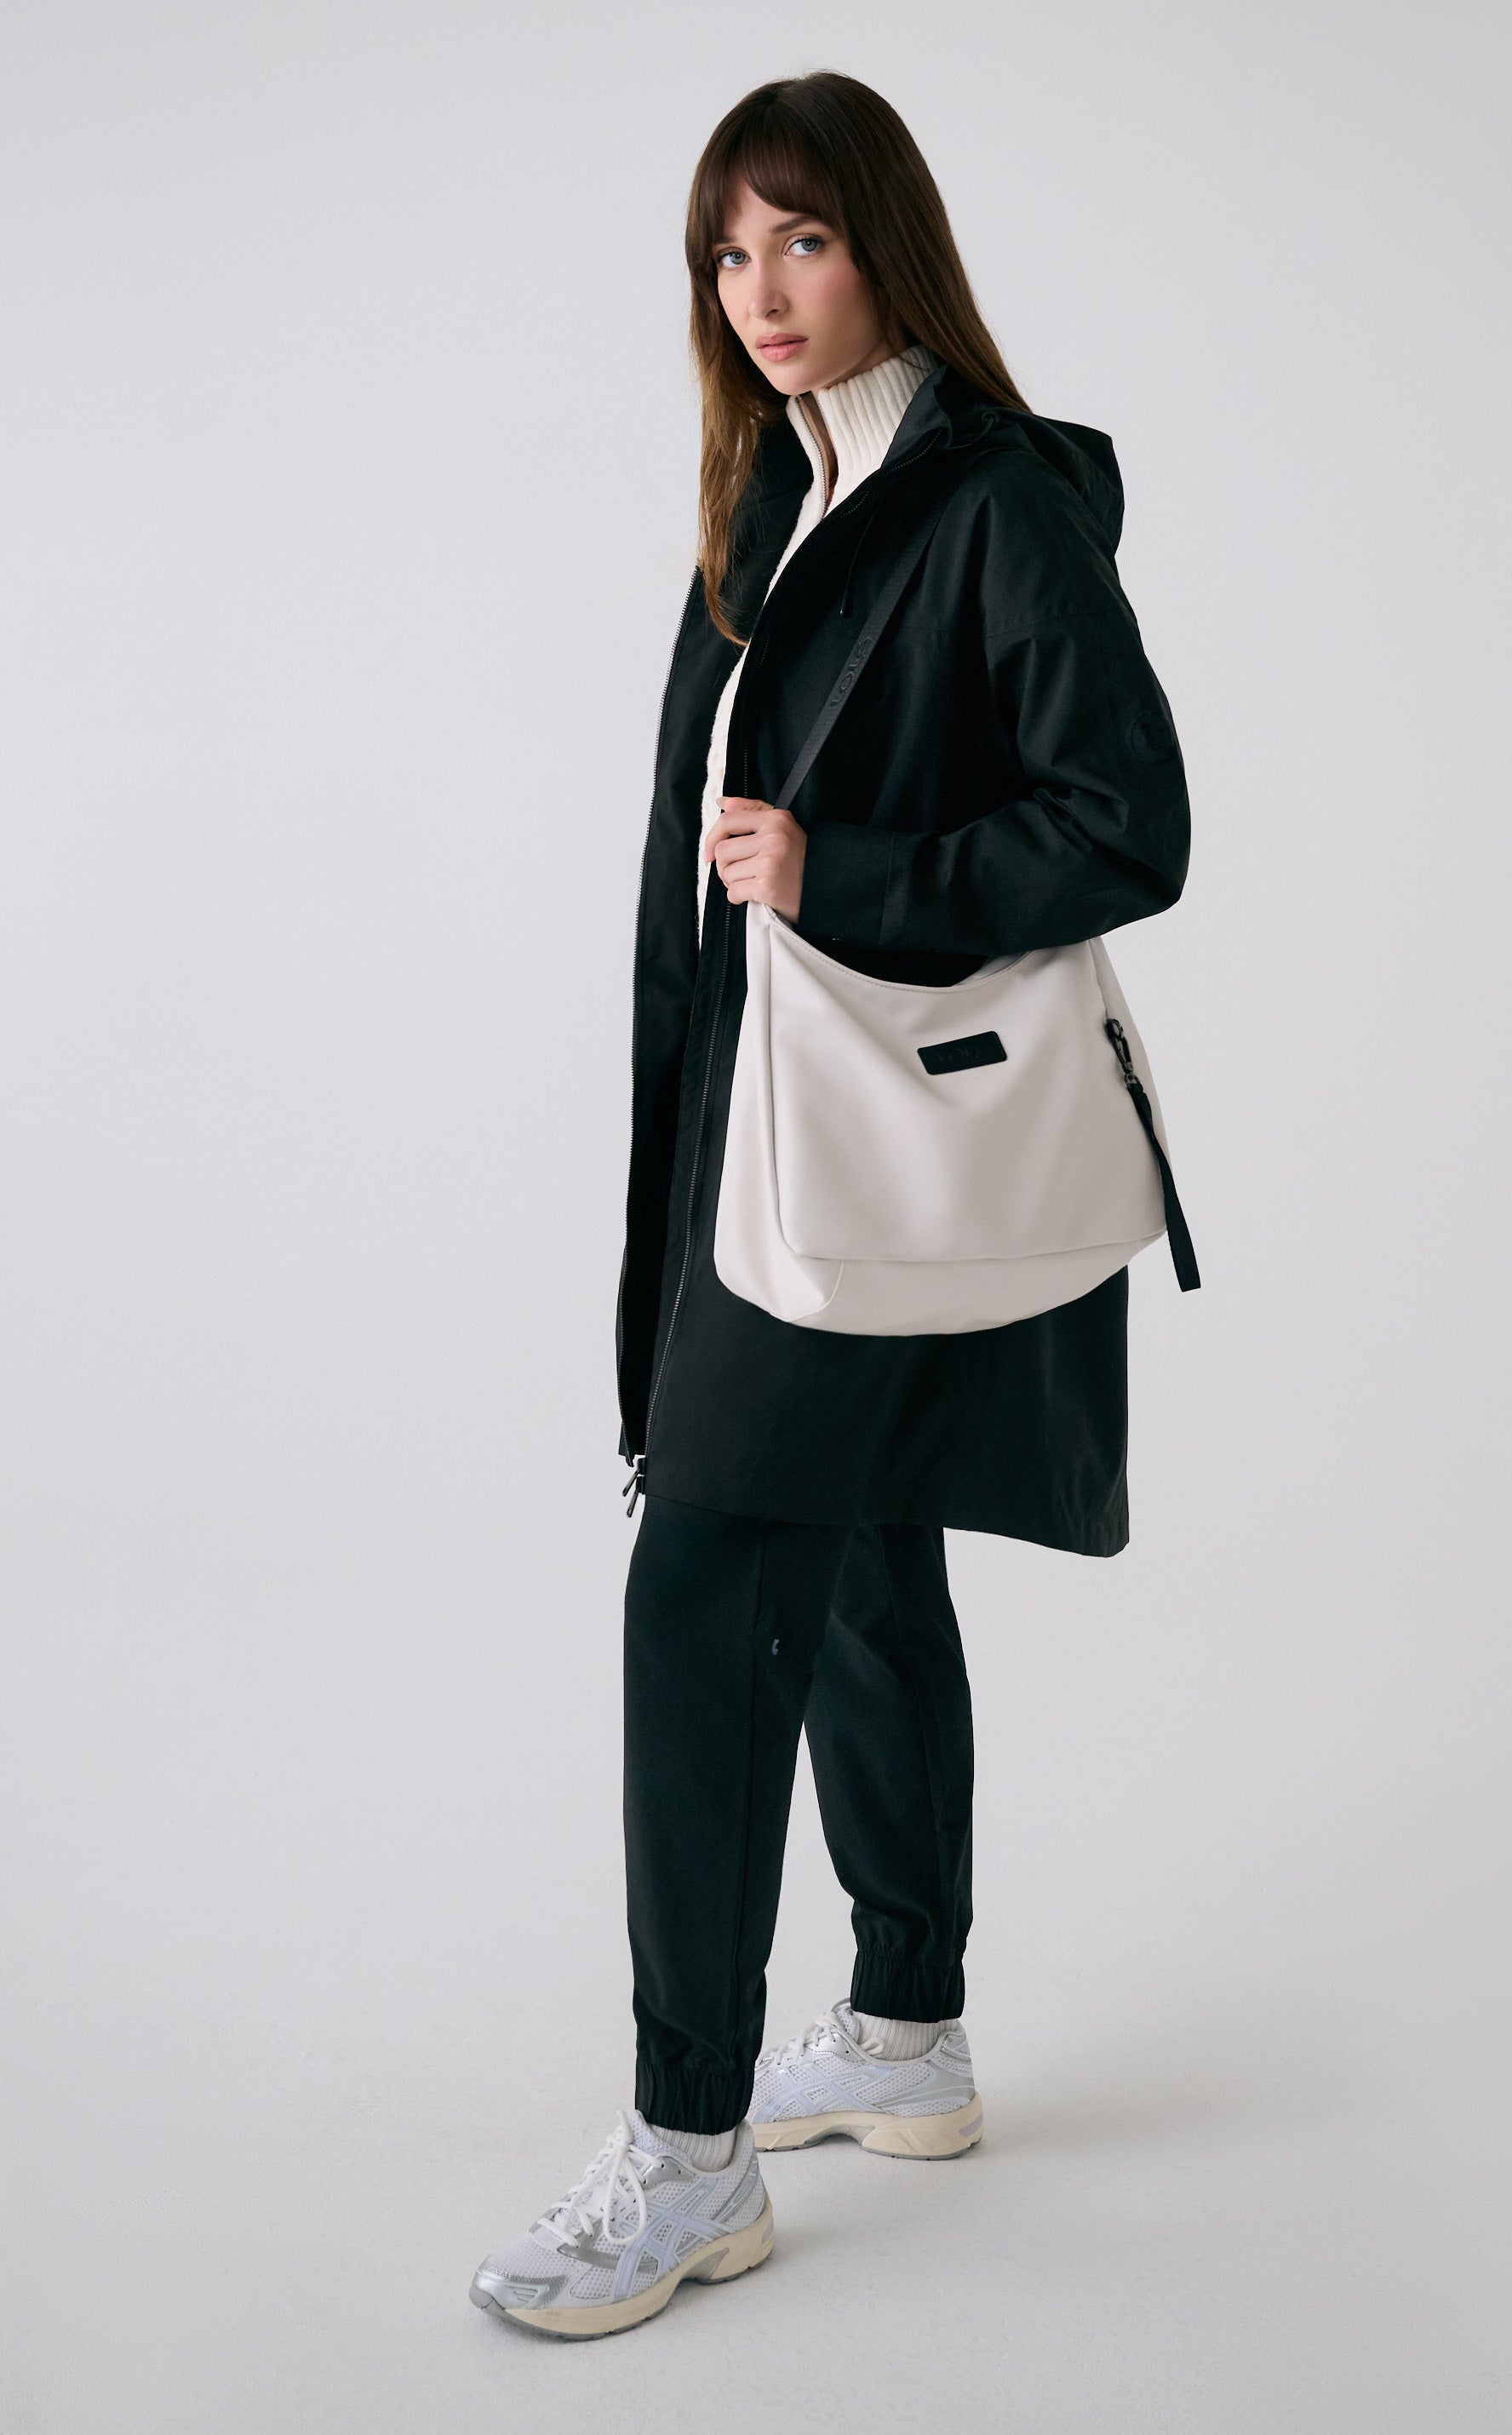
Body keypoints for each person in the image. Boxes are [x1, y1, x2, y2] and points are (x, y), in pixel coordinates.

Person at [471, 70, 1191, 2340]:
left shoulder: (990, 500)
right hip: (776, 1136)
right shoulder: (783, 497)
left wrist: (843, 870)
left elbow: (1127, 824)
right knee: (865, 1557)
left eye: (802, 238)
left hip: (871, 1142)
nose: (761, 290)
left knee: (702, 1587)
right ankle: (905, 2031)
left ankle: (689, 2155)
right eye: (728, 250)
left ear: (889, 243)